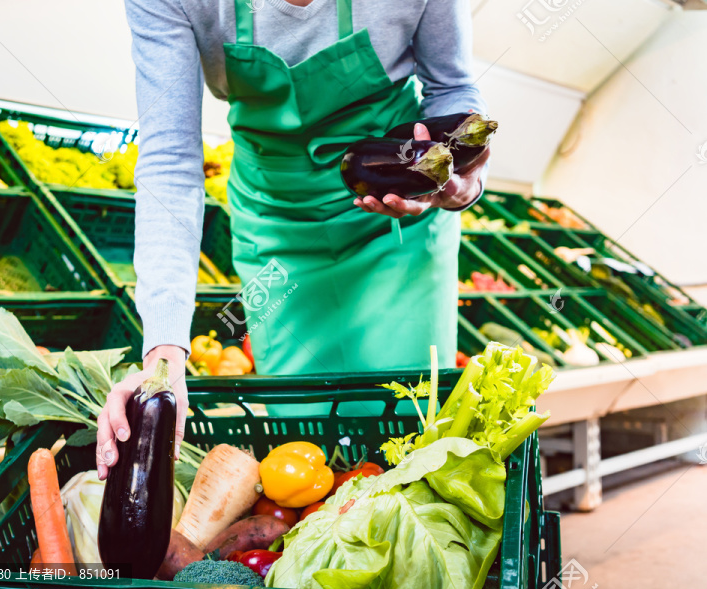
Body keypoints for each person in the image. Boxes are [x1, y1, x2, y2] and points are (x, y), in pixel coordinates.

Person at [96, 0, 490, 479]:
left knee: (409, 433)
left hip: (399, 220)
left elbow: (452, 88)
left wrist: (461, 184)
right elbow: (170, 159)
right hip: (275, 225)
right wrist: (162, 354)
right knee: (301, 447)